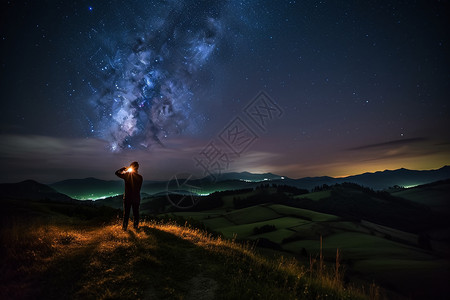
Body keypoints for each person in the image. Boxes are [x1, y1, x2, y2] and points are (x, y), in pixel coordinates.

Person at [115, 161, 143, 230]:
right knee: (136, 214)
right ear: (137, 168)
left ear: (131, 167)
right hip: (136, 198)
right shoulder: (140, 177)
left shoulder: (127, 175)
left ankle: (124, 228)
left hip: (127, 198)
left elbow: (116, 173)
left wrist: (123, 168)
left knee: (126, 214)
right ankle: (136, 227)